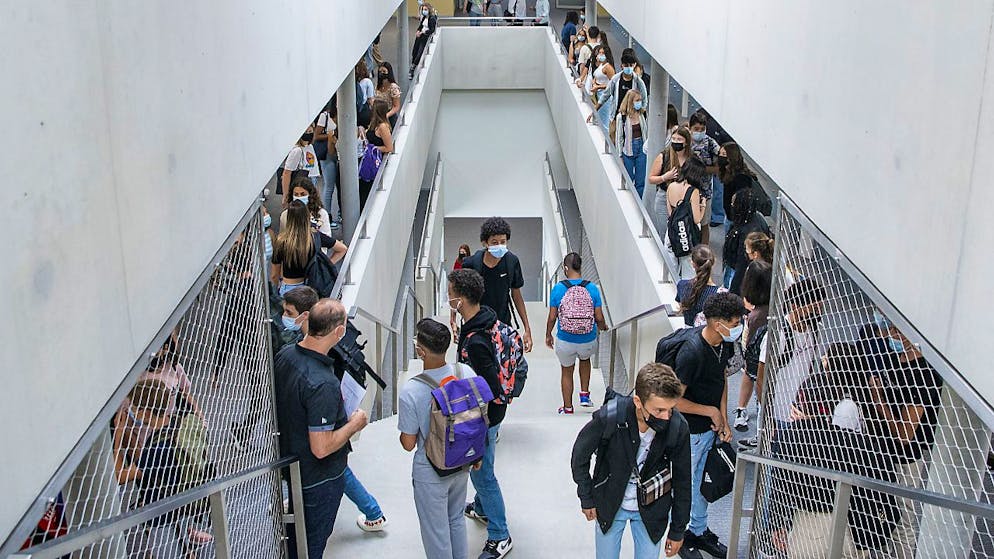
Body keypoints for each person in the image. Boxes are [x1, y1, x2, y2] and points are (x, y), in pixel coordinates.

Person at [274, 299, 370, 559]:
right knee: (311, 545)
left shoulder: (285, 355)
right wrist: (354, 425)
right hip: (318, 479)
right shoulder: (322, 383)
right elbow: (321, 446)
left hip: (293, 467)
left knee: (295, 541)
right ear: (338, 332)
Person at [571, 363, 692, 559]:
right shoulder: (610, 417)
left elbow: (683, 480)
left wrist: (677, 530)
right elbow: (580, 456)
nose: (666, 417)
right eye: (659, 410)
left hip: (653, 510)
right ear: (638, 401)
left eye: (670, 409)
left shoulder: (677, 428)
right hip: (610, 504)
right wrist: (586, 497)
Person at [667, 292, 745, 559]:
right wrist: (710, 411)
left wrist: (722, 416)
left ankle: (698, 530)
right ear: (717, 323)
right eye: (734, 324)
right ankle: (679, 534)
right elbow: (673, 401)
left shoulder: (722, 344)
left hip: (708, 430)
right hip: (689, 433)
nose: (738, 329)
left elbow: (720, 378)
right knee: (686, 485)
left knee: (701, 483)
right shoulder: (691, 353)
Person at [448, 269, 513, 559]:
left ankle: (500, 535)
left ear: (460, 300)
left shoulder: (475, 340)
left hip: (485, 417)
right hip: (495, 414)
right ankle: (483, 508)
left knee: (483, 475)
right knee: (484, 470)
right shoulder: (486, 317)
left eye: (451, 295)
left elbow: (491, 386)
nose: (448, 299)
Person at [864, 318, 943, 559]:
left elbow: (905, 434)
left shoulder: (924, 375)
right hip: (883, 453)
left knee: (903, 520)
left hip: (905, 458)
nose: (890, 335)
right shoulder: (895, 359)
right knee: (884, 514)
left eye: (895, 329)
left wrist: (879, 402)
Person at [399, 319, 477, 559]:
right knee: (456, 521)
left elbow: (409, 443)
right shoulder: (465, 372)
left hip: (431, 471)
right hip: (461, 461)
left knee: (436, 533)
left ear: (421, 351)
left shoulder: (412, 390)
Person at [455, 217, 533, 351]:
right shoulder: (471, 264)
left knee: (506, 367)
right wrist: (454, 318)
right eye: (494, 242)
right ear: (485, 243)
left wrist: (527, 328)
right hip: (476, 325)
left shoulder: (511, 262)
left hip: (503, 323)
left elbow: (516, 295)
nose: (499, 246)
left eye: (503, 242)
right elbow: (460, 295)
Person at [545, 252, 608, 414]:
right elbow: (599, 316)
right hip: (588, 339)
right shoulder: (592, 288)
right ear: (580, 267)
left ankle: (567, 407)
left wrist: (548, 334)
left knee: (566, 370)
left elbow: (552, 316)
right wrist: (603, 327)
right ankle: (585, 396)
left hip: (565, 339)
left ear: (566, 268)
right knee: (585, 359)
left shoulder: (559, 288)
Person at [271, 201, 347, 298]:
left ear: (289, 218)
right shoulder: (314, 236)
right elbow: (342, 249)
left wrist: (276, 289)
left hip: (289, 288)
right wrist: (328, 263)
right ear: (307, 216)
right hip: (311, 288)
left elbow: (274, 274)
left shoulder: (281, 241)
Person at [732, 260, 772, 434]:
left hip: (756, 359)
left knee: (755, 385)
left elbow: (750, 343)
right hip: (760, 358)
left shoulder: (757, 317)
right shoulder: (768, 309)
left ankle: (757, 432)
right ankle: (742, 409)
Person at [664, 156, 708, 281]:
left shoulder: (671, 186)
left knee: (671, 268)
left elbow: (670, 212)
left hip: (671, 232)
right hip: (687, 235)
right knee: (689, 272)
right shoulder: (693, 191)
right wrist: (703, 206)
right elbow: (696, 219)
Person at [648, 126, 692, 243]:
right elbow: (651, 178)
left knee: (683, 234)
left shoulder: (691, 159)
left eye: (679, 139)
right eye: (674, 139)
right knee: (666, 234)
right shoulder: (664, 156)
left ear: (686, 142)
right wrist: (665, 177)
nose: (675, 142)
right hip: (664, 197)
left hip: (684, 200)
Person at [724, 188, 771, 293]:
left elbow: (742, 265)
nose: (731, 206)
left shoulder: (747, 232)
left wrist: (733, 291)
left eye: (733, 204)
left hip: (738, 272)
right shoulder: (757, 217)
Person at [688, 111, 722, 241]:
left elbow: (718, 167)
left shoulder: (710, 143)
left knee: (704, 224)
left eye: (702, 129)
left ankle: (703, 249)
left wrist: (703, 170)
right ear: (690, 128)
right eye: (696, 129)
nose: (699, 132)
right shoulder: (685, 140)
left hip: (705, 193)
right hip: (687, 191)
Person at [359, 99, 395, 211]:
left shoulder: (383, 127)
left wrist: (374, 148)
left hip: (375, 162)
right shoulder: (374, 124)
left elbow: (389, 147)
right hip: (369, 161)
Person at [674, 245, 723, 327]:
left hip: (687, 334)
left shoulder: (682, 285)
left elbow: (681, 305)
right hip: (708, 337)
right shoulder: (720, 295)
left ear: (692, 263)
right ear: (713, 264)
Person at [614, 89, 649, 198]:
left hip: (641, 148)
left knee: (640, 181)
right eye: (637, 100)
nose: (639, 102)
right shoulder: (622, 117)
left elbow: (646, 132)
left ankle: (639, 202)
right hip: (628, 149)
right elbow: (619, 137)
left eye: (640, 100)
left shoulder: (642, 114)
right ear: (630, 101)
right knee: (628, 178)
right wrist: (619, 155)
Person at [315, 100, 342, 227]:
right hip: (327, 155)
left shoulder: (344, 114)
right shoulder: (324, 116)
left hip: (339, 153)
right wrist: (330, 136)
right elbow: (316, 136)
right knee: (329, 185)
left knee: (339, 185)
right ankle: (327, 215)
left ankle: (340, 213)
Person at [601, 51, 648, 123]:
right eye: (626, 65)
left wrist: (639, 115)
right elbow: (605, 95)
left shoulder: (638, 82)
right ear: (622, 65)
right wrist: (594, 110)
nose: (628, 67)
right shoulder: (615, 79)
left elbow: (644, 99)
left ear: (634, 65)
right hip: (616, 116)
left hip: (632, 117)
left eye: (631, 65)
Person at [716, 142, 754, 229]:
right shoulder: (727, 171)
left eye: (724, 154)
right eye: (720, 153)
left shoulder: (741, 178)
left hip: (736, 219)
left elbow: (742, 199)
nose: (721, 157)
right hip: (729, 215)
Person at [279, 129, 317, 205]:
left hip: (310, 184)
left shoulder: (310, 147)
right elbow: (287, 173)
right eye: (306, 131)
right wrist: (285, 195)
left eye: (310, 131)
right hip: (300, 187)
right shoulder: (297, 151)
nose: (309, 133)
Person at [591, 45, 616, 136]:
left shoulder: (608, 67)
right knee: (600, 117)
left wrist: (598, 87)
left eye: (603, 53)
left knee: (605, 120)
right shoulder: (601, 65)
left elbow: (612, 84)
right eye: (600, 53)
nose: (601, 55)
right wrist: (594, 83)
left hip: (605, 96)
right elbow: (596, 76)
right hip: (598, 93)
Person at [411, 3, 438, 78]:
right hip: (419, 37)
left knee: (420, 53)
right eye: (423, 9)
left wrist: (423, 32)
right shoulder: (424, 17)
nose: (424, 11)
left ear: (429, 10)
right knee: (415, 51)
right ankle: (413, 66)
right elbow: (421, 26)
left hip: (424, 38)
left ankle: (413, 68)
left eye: (425, 9)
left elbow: (432, 30)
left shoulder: (432, 19)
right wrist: (418, 31)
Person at [375, 61, 402, 129]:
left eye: (384, 71)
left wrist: (386, 116)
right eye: (380, 71)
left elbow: (396, 106)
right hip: (378, 116)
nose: (381, 73)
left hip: (390, 117)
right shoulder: (379, 86)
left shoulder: (393, 87)